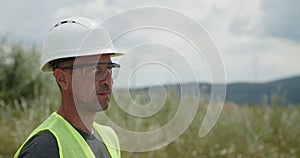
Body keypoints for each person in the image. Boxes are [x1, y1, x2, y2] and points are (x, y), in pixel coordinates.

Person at [14, 16, 124, 158]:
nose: (107, 81)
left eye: (109, 68)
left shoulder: (109, 138)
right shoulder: (44, 147)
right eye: (94, 69)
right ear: (62, 79)